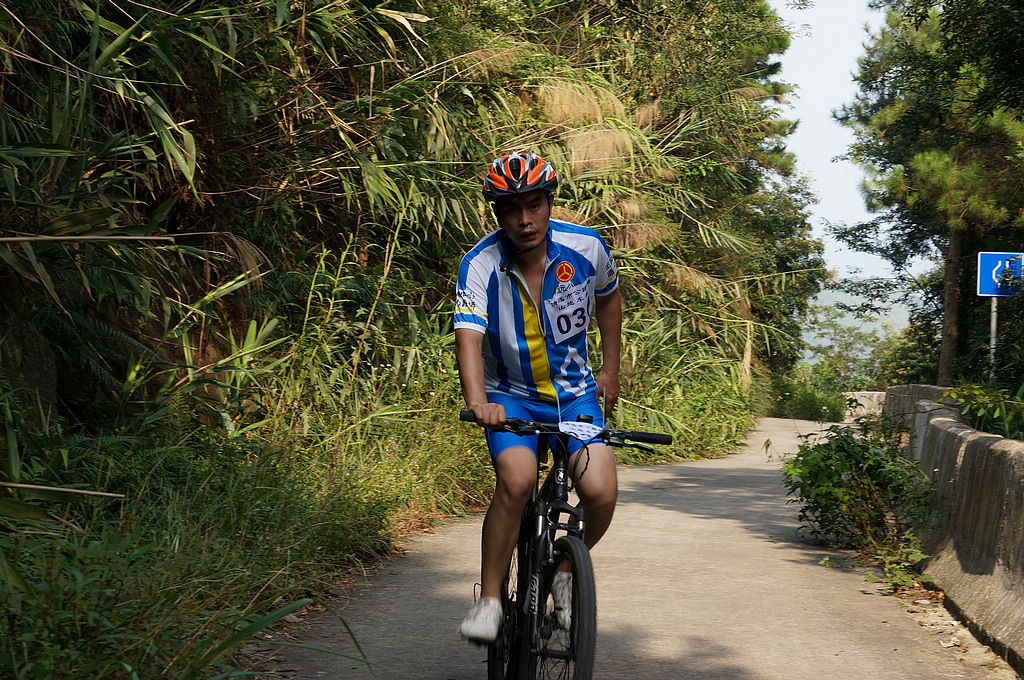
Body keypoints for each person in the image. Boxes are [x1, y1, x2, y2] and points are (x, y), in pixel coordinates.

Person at [453, 152, 622, 642]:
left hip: (576, 396)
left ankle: (565, 572)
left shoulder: (586, 247)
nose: (524, 220)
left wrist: (610, 370)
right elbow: (467, 337)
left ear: (549, 203)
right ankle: (489, 600)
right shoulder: (480, 264)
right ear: (497, 214)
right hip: (510, 396)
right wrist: (479, 401)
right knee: (518, 478)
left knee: (600, 492)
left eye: (534, 205)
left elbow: (609, 297)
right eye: (511, 209)